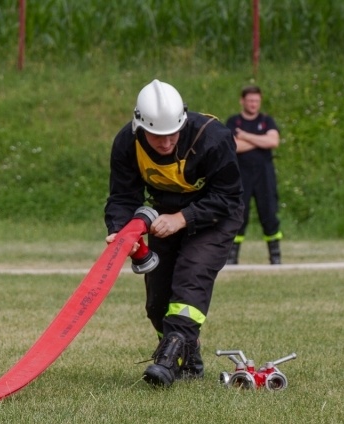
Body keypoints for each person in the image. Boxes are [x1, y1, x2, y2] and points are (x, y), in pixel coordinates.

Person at [104, 79, 243, 387]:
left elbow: (229, 196)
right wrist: (120, 232)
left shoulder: (213, 138)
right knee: (157, 301)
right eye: (156, 137)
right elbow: (123, 197)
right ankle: (187, 358)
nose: (166, 144)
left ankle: (169, 358)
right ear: (140, 128)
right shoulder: (127, 144)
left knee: (191, 277)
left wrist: (184, 217)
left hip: (215, 217)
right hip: (165, 216)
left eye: (171, 135)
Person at [225, 85, 283, 265]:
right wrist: (260, 140)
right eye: (250, 100)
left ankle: (275, 256)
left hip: (264, 175)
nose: (253, 104)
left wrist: (246, 136)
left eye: (256, 101)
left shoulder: (267, 121)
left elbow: (273, 141)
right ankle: (232, 257)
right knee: (238, 214)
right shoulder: (234, 122)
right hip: (241, 175)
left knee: (269, 213)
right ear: (242, 101)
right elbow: (233, 146)